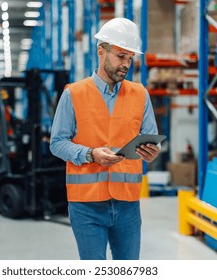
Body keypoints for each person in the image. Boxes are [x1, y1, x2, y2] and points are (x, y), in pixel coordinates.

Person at [50, 18, 160, 260]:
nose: (126, 65)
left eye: (130, 59)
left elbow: (151, 139)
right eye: (121, 56)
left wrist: (153, 151)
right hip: (86, 205)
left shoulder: (140, 94)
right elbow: (57, 143)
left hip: (128, 204)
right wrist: (90, 154)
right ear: (102, 52)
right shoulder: (74, 94)